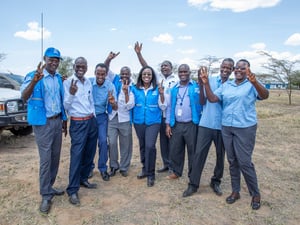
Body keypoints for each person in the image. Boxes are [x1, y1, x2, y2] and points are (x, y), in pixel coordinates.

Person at [199, 59, 269, 210]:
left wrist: (255, 82)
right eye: (236, 68)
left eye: (242, 68)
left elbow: (265, 95)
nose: (238, 70)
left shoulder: (252, 83)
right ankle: (235, 191)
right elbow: (212, 99)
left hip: (245, 127)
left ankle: (255, 193)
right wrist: (205, 83)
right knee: (232, 161)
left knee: (244, 161)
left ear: (248, 70)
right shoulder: (227, 85)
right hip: (227, 128)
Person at [20, 47, 67, 214]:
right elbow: (24, 97)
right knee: (46, 158)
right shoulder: (34, 75)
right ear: (45, 59)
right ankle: (45, 194)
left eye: (57, 59)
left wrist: (64, 120)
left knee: (55, 157)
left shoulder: (58, 78)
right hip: (42, 123)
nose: (54, 62)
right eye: (51, 59)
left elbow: (61, 100)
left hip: (56, 121)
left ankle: (50, 186)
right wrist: (34, 81)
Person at [182, 58, 234, 198]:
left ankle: (216, 181)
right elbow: (202, 101)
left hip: (222, 126)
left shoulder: (232, 85)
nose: (225, 70)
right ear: (220, 67)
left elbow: (216, 99)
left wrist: (205, 85)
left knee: (220, 155)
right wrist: (201, 83)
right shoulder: (209, 79)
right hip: (206, 123)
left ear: (232, 70)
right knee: (199, 154)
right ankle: (193, 184)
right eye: (224, 66)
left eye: (229, 68)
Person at [134, 41, 178, 173]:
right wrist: (139, 54)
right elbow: (145, 67)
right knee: (162, 143)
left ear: (171, 68)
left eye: (167, 66)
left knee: (172, 141)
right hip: (158, 115)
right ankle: (166, 164)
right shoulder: (158, 78)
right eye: (162, 66)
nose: (164, 68)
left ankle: (173, 166)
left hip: (170, 115)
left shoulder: (176, 79)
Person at [63, 57, 98, 206]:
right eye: (78, 66)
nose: (80, 68)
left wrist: (94, 117)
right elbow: (65, 105)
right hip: (78, 123)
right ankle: (72, 190)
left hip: (91, 121)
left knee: (89, 154)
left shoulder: (88, 81)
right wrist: (71, 93)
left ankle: (83, 179)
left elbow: (91, 101)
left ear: (87, 67)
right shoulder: (68, 82)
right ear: (74, 66)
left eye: (83, 66)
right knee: (77, 155)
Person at [131, 65, 166, 187]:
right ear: (141, 75)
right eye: (144, 74)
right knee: (142, 145)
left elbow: (163, 106)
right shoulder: (134, 89)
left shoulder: (157, 88)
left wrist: (161, 94)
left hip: (154, 121)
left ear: (152, 76)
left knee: (150, 146)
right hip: (139, 121)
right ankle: (145, 168)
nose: (146, 76)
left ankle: (151, 174)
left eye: (149, 74)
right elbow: (130, 104)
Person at [165, 64, 202, 180]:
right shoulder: (174, 89)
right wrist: (168, 124)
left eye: (185, 71)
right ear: (178, 73)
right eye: (181, 72)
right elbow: (170, 107)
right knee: (176, 149)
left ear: (189, 72)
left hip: (191, 124)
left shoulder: (195, 86)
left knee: (193, 150)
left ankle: (192, 174)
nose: (183, 74)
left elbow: (202, 103)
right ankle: (176, 172)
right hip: (176, 124)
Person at [104, 52, 135, 177]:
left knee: (125, 144)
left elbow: (130, 105)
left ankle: (124, 167)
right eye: (122, 73)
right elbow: (105, 69)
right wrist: (109, 59)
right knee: (111, 142)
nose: (124, 75)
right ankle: (113, 166)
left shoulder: (133, 86)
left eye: (126, 74)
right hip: (112, 117)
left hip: (125, 118)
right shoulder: (114, 79)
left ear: (130, 75)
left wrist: (126, 92)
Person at [89, 63, 117, 181]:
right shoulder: (88, 82)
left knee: (103, 142)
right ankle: (89, 168)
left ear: (106, 74)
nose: (100, 76)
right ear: (95, 73)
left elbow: (115, 107)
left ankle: (102, 168)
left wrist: (112, 102)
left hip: (101, 117)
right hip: (89, 116)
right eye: (98, 73)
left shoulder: (110, 85)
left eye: (103, 74)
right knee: (89, 143)